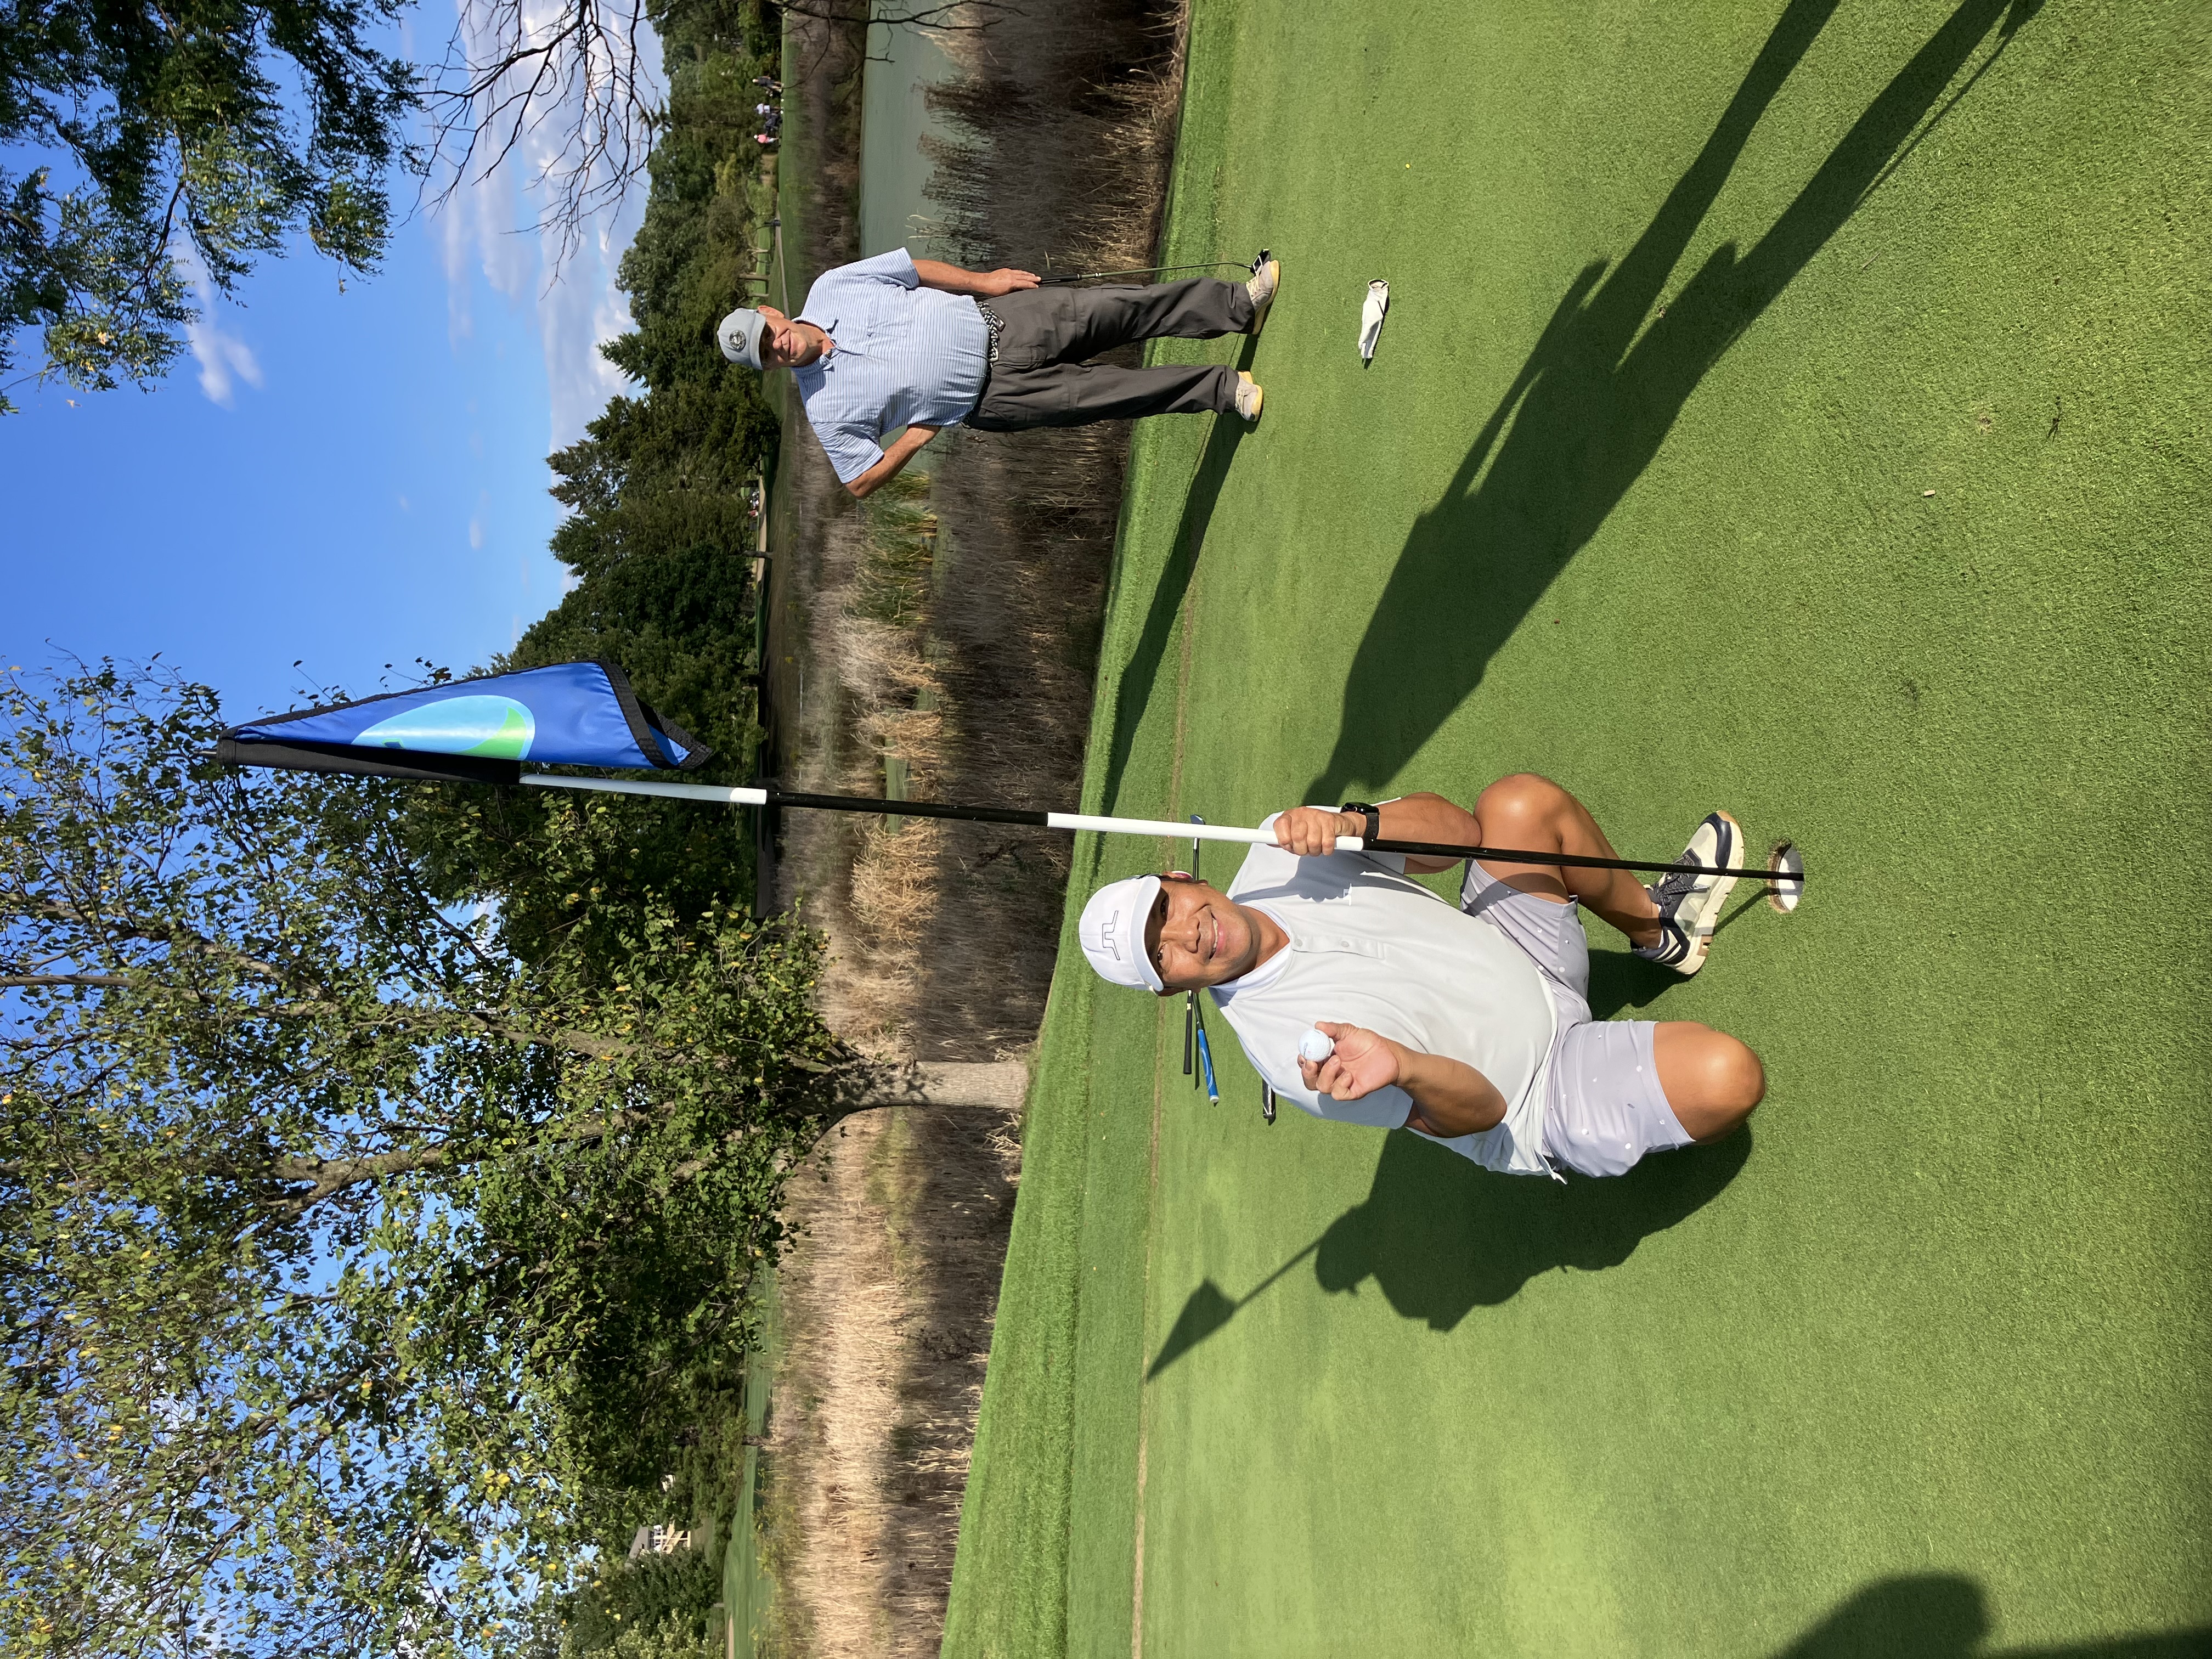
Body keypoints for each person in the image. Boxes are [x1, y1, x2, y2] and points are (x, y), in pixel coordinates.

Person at [1076, 775, 1766, 1180]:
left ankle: (1660, 934)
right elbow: (1484, 1113)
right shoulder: (1296, 1058)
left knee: (1518, 804)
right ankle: (1632, 1109)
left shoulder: (1277, 851)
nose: (1184, 932)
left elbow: (1464, 833)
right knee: (1727, 1076)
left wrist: (1357, 824)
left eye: (1165, 909)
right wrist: (1402, 1067)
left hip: (1519, 951)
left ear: (1178, 877)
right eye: (1160, 953)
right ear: (1169, 988)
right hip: (1536, 1091)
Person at [717, 249, 1278, 498]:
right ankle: (1224, 391)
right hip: (996, 401)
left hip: (1002, 320)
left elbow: (909, 271)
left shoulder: (831, 286)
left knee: (1122, 308)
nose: (777, 346)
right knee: (1116, 394)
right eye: (766, 355)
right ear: (767, 367)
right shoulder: (824, 409)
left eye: (769, 334)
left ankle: (1238, 305)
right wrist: (914, 439)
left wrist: (986, 281)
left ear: (769, 313)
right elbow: (858, 482)